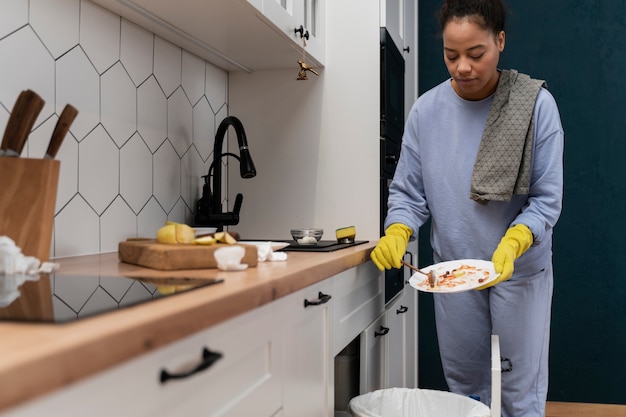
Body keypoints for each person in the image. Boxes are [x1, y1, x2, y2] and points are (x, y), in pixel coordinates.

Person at [370, 0, 564, 416]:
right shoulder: (426, 111)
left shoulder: (535, 108)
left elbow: (547, 199)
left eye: (476, 54)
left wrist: (515, 240)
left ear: (500, 41)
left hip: (519, 269)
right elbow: (407, 193)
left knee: (518, 390)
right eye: (450, 54)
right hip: (453, 273)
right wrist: (398, 230)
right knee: (466, 389)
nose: (462, 67)